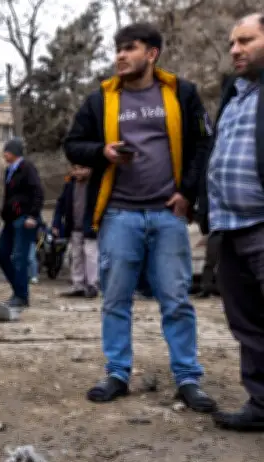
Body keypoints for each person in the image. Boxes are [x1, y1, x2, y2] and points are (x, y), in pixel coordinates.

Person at [63, 22, 216, 411]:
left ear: (151, 54)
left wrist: (188, 193)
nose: (119, 55)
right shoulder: (100, 99)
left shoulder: (181, 93)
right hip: (119, 215)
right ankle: (117, 373)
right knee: (115, 299)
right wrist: (103, 152)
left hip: (167, 215)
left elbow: (203, 144)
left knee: (176, 299)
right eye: (117, 49)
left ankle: (187, 377)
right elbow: (73, 145)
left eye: (129, 48)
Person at [200, 14, 264, 431]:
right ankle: (261, 405)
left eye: (246, 40)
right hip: (229, 226)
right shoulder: (235, 94)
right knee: (248, 323)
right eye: (231, 44)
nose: (235, 50)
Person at [0, 138, 44, 317]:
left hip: (24, 218)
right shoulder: (9, 171)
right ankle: (18, 289)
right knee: (2, 253)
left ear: (14, 152)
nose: (4, 154)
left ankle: (21, 295)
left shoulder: (27, 168)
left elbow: (37, 191)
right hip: (10, 219)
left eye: (7, 151)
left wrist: (33, 215)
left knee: (20, 257)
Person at [52, 165, 99, 298]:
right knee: (76, 254)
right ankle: (78, 284)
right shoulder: (69, 184)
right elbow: (60, 204)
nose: (77, 172)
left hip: (91, 225)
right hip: (74, 225)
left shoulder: (94, 185)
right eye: (75, 169)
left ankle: (92, 284)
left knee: (90, 253)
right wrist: (56, 223)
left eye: (81, 168)